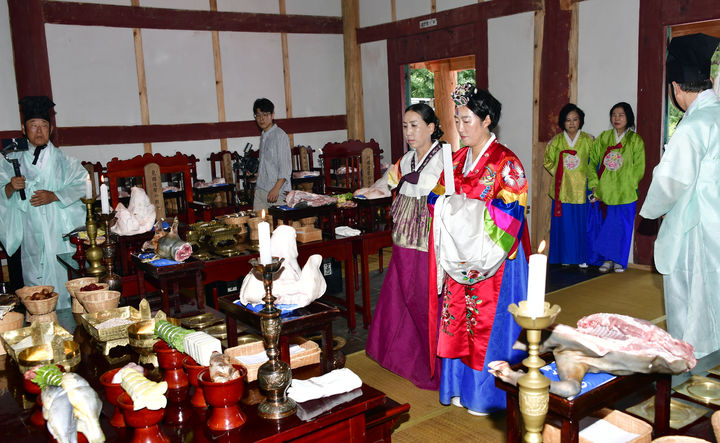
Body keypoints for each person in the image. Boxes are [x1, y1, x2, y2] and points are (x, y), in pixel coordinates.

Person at [427, 84, 529, 415]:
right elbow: (434, 199)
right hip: (459, 259)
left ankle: (487, 396)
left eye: (467, 120)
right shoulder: (456, 160)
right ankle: (459, 387)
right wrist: (449, 206)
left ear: (487, 120)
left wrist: (461, 210)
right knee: (456, 321)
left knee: (487, 326)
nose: (460, 127)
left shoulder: (507, 163)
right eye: (457, 120)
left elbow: (510, 214)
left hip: (494, 259)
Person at [640, 33, 720, 358]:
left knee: (692, 310)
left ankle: (694, 372)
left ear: (675, 87)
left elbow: (670, 180)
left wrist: (651, 210)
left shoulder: (695, 125)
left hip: (696, 230)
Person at [366, 103, 446, 390]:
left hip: (429, 242)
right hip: (402, 241)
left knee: (423, 301)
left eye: (415, 125)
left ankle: (434, 365)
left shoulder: (445, 159)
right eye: (405, 126)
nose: (409, 132)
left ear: (431, 127)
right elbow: (387, 183)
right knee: (400, 296)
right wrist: (369, 191)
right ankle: (400, 357)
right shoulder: (405, 160)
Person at [0, 96, 87, 309]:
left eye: (44, 126)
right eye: (33, 125)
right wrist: (10, 187)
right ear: (24, 129)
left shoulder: (65, 162)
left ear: (51, 129)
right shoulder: (11, 160)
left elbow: (84, 184)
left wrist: (55, 195)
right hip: (30, 233)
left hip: (59, 232)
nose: (39, 131)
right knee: (35, 286)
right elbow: (2, 191)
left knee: (65, 279)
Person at [587, 102, 645, 273]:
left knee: (622, 227)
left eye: (621, 115)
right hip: (605, 191)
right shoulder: (604, 138)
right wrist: (595, 185)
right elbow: (592, 162)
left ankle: (619, 260)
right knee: (606, 227)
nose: (616, 118)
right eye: (614, 115)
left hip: (626, 192)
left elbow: (639, 167)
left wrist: (630, 184)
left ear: (628, 118)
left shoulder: (635, 140)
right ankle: (606, 260)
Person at [543, 103, 594, 267]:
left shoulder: (589, 140)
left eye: (575, 119)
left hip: (582, 189)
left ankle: (582, 258)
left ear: (581, 121)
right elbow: (547, 161)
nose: (572, 123)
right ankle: (564, 258)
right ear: (562, 122)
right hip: (562, 189)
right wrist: (560, 173)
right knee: (564, 226)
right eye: (568, 120)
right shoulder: (556, 141)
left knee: (581, 225)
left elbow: (594, 162)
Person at [252, 98, 292, 211]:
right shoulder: (264, 136)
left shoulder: (280, 136)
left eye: (265, 115)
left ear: (272, 115)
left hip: (276, 192)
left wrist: (276, 189)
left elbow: (285, 168)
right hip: (260, 190)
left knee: (279, 222)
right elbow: (268, 164)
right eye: (258, 115)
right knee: (257, 222)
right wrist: (256, 174)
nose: (261, 119)